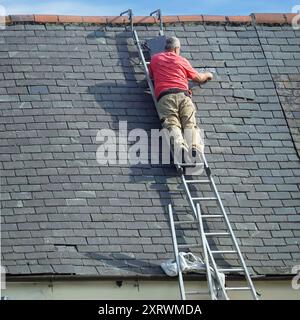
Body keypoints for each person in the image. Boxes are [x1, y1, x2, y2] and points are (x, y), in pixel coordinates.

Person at [149, 36, 213, 163]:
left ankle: (180, 147)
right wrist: (208, 75)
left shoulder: (155, 59)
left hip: (165, 96)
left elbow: (151, 75)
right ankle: (194, 147)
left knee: (172, 124)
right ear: (177, 48)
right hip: (183, 95)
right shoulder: (181, 60)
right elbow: (198, 78)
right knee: (189, 123)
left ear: (166, 48)